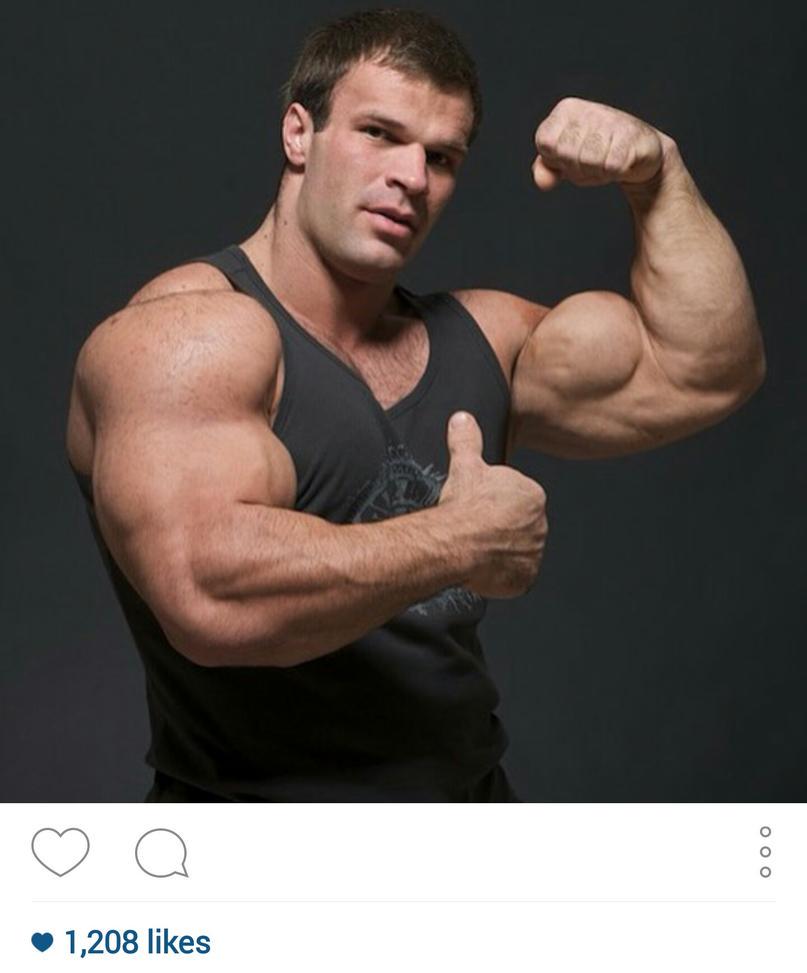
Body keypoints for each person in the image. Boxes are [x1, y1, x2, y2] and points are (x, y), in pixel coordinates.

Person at [65, 9, 765, 802]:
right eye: (378, 134)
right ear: (298, 134)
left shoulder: (482, 341)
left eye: (440, 156)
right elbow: (209, 595)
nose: (411, 177)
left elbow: (707, 369)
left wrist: (657, 177)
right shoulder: (189, 334)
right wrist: (457, 540)